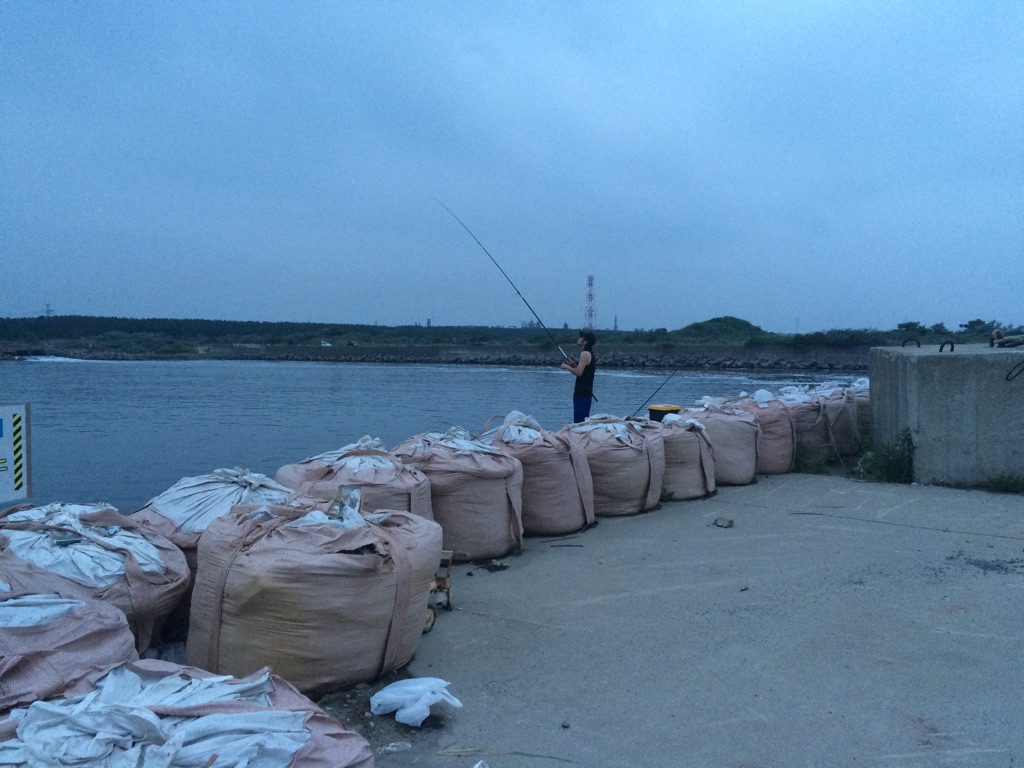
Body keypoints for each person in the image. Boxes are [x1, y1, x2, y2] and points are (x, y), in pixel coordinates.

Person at [561, 330, 596, 423]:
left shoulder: (585, 354)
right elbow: (584, 371)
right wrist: (573, 364)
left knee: (579, 422)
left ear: (585, 341)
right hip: (585, 393)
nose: (579, 338)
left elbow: (579, 373)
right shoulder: (589, 353)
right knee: (581, 421)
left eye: (581, 337)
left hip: (582, 393)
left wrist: (566, 367)